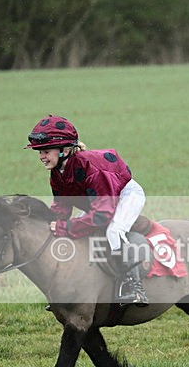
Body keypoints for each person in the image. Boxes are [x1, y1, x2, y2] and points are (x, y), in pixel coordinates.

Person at [25, 114, 149, 306]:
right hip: (99, 201)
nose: (41, 157)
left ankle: (134, 287)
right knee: (76, 232)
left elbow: (102, 215)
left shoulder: (91, 167)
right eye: (40, 152)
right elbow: (61, 208)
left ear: (65, 150)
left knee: (114, 231)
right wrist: (44, 222)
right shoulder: (57, 173)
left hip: (125, 195)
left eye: (46, 151)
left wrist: (66, 227)